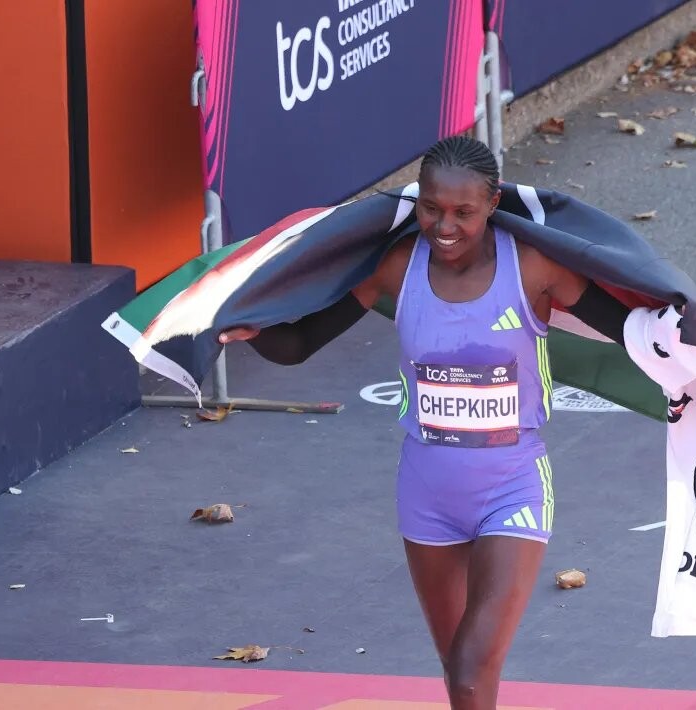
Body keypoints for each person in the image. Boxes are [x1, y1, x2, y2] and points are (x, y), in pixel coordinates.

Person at [219, 136, 629, 709]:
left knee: (470, 668)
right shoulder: (397, 265)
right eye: (432, 209)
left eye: (464, 212)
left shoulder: (532, 266)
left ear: (492, 204)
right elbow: (300, 344)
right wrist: (250, 329)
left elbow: (630, 328)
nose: (445, 226)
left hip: (512, 488)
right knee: (458, 671)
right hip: (426, 493)